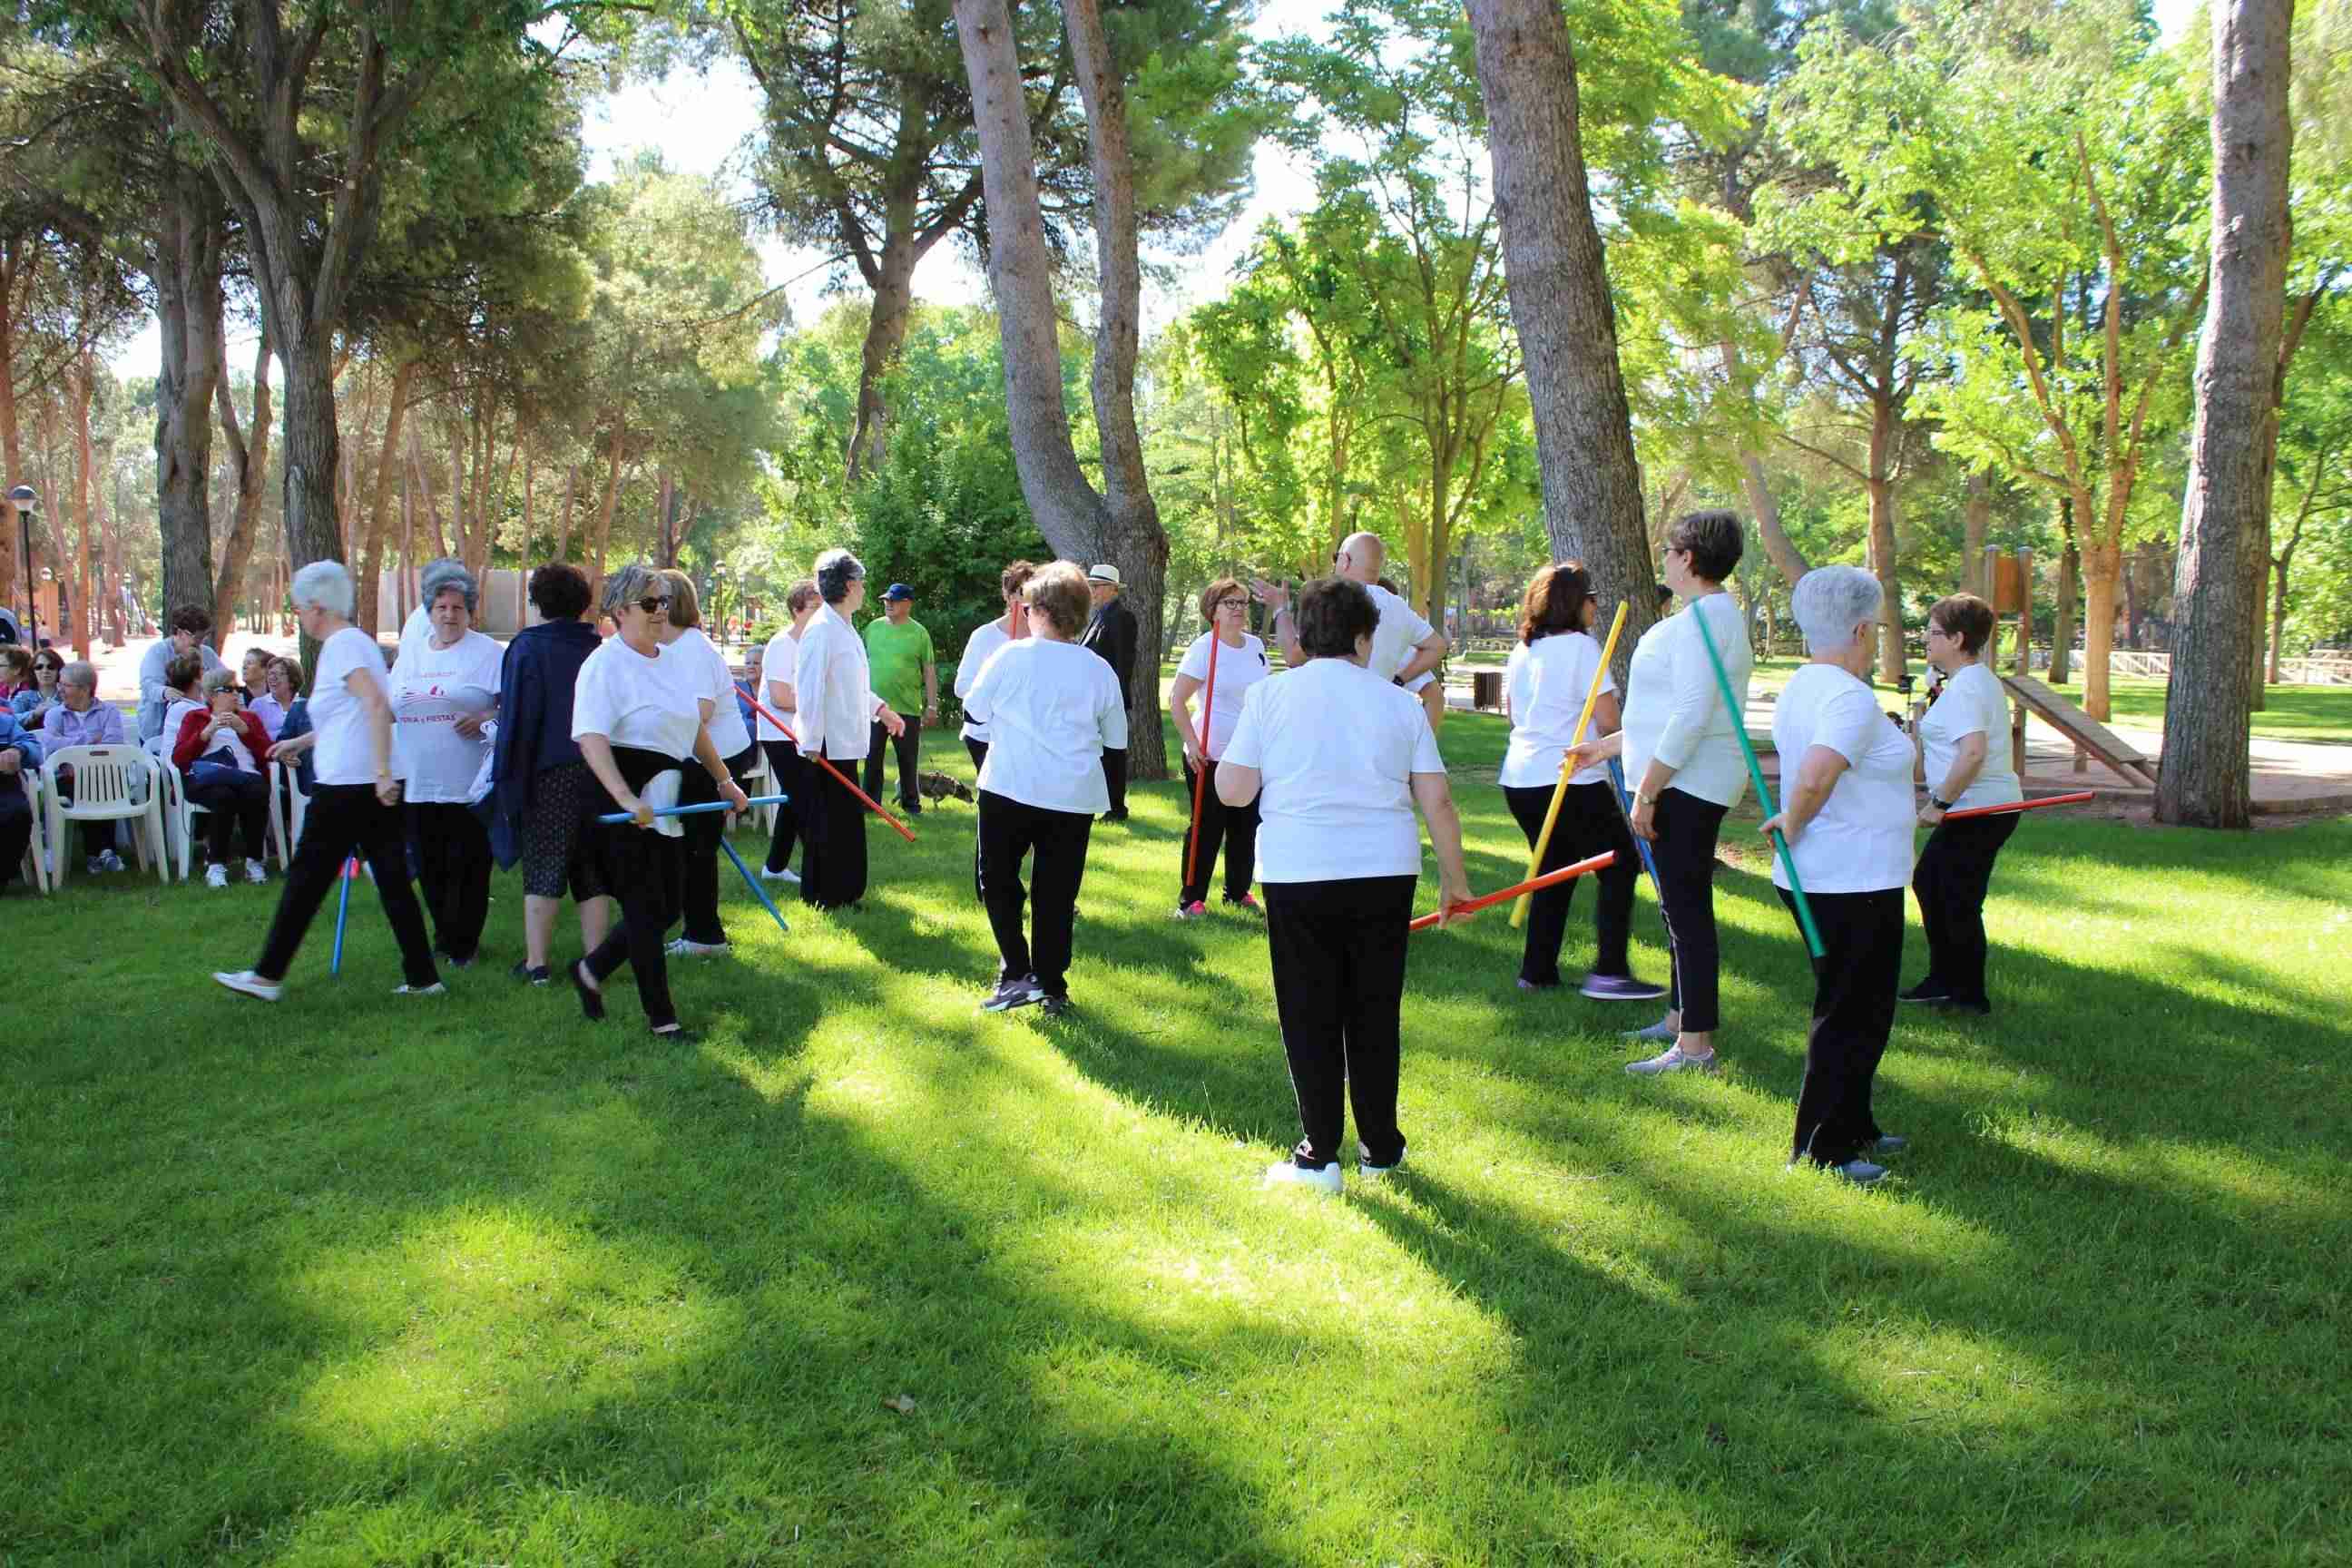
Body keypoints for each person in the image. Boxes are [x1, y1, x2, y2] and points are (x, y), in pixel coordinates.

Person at [1215, 576, 1474, 1194]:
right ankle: (1380, 1148)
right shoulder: (1400, 703)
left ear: (1302, 635)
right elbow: (1437, 800)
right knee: (1374, 1011)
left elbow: (1233, 791)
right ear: (1365, 638)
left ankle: (1319, 1155)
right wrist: (1455, 881)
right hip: (1384, 871)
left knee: (1309, 1011)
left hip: (1300, 873)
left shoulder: (1269, 697)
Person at [1564, 510, 1753, 1074]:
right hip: (1682, 779)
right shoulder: (1706, 618)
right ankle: (1679, 1017)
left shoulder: (1705, 622)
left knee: (1686, 912)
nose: (1664, 559)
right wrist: (1607, 748)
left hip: (1688, 787)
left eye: (1671, 551)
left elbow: (1693, 717)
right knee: (1679, 909)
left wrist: (1647, 791)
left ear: (1689, 559)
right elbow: (1665, 715)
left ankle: (1695, 1046)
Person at [213, 561, 445, 1000]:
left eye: (299, 607)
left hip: (350, 785)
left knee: (306, 879)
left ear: (318, 606)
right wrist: (300, 741)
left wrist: (379, 774)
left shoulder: (343, 646)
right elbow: (351, 715)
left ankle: (267, 975)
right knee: (391, 880)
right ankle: (423, 976)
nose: (298, 615)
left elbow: (378, 706)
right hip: (365, 780)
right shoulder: (353, 645)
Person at [1758, 565, 1916, 1186]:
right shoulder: (1847, 696)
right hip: (1847, 880)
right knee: (1849, 1012)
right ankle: (1823, 1149)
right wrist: (1793, 820)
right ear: (1856, 627)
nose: (1876, 638)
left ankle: (1856, 1126)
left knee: (1864, 1010)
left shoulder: (1808, 684)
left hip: (1849, 873)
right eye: (1874, 627)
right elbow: (1818, 772)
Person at [565, 564, 750, 1039]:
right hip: (617, 792)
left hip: (663, 793)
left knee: (668, 907)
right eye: (650, 603)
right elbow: (590, 738)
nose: (660, 611)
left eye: (663, 602)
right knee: (647, 909)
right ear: (620, 610)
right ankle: (663, 1021)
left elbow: (693, 726)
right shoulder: (603, 664)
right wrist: (625, 796)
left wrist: (725, 781)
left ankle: (590, 971)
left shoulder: (669, 659)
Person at [963, 562, 1126, 1015]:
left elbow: (974, 713)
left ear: (1037, 609)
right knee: (1056, 893)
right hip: (1071, 796)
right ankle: (1048, 984)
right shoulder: (1099, 670)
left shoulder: (1010, 656)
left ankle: (1018, 971)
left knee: (997, 880)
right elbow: (1115, 741)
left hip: (1009, 786)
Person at [1498, 564, 1660, 999]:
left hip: (1520, 777)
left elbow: (1513, 713)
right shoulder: (1584, 649)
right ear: (1576, 602)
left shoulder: (1524, 650)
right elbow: (1608, 722)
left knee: (1554, 871)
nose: (1595, 608)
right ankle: (1609, 972)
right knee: (1621, 862)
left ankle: (1537, 972)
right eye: (1592, 599)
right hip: (1568, 778)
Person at [487, 564, 612, 985]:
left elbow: (518, 719)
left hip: (548, 771)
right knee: (590, 867)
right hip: (599, 769)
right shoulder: (601, 646)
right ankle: (596, 961)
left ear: (537, 600)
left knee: (544, 862)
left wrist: (507, 779)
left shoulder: (526, 647)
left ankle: (537, 964)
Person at [1907, 592, 2024, 1014]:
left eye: (1934, 632)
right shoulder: (1966, 683)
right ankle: (1946, 981)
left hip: (1980, 810)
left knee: (1954, 896)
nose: (1927, 639)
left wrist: (1939, 802)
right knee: (1934, 886)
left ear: (1957, 639)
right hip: (1974, 808)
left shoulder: (1971, 685)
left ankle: (1967, 993)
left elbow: (1972, 752)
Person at [389, 560, 503, 968]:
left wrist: (486, 718)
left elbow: (512, 707)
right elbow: (390, 703)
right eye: (441, 608)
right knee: (431, 865)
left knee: (468, 867)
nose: (449, 615)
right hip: (419, 780)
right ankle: (445, 936)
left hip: (469, 783)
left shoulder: (488, 653)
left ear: (470, 611)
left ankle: (465, 944)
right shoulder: (411, 653)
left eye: (457, 608)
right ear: (429, 612)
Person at [656, 567, 760, 957]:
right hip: (695, 754)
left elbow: (698, 712)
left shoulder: (692, 649)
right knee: (688, 845)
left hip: (718, 756)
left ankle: (705, 936)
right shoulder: (673, 648)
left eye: (658, 599)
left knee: (696, 848)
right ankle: (698, 929)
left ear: (672, 604)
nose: (651, 606)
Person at [792, 549, 904, 909]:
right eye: (862, 583)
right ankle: (824, 895)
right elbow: (808, 689)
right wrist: (809, 740)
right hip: (824, 746)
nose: (864, 589)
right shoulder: (821, 630)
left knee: (846, 823)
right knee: (828, 824)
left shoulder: (844, 628)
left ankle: (846, 891)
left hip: (846, 742)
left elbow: (852, 686)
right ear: (851, 585)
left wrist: (881, 710)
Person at [1170, 576, 1269, 919]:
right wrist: (1192, 744)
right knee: (1206, 826)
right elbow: (1177, 700)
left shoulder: (1256, 646)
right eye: (1231, 603)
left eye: (1243, 602)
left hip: (1248, 755)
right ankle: (1192, 899)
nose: (1240, 609)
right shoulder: (1204, 647)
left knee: (1245, 825)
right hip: (1208, 753)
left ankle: (1238, 892)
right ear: (1213, 610)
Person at [1250, 532, 1449, 694]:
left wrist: (1280, 608)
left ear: (1345, 560)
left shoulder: (1333, 602)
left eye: (1337, 557)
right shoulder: (1398, 607)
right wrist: (1398, 680)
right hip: (1378, 715)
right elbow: (1438, 647)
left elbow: (1294, 657)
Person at [171, 664, 274, 887]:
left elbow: (268, 753)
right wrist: (207, 732)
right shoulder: (195, 717)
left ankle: (254, 861)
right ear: (212, 695)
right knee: (223, 795)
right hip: (205, 778)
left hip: (246, 775)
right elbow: (179, 758)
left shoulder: (249, 718)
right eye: (230, 689)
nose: (237, 693)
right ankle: (216, 865)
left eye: (238, 688)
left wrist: (244, 731)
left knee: (258, 792)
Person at [756, 580, 822, 886]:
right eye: (813, 607)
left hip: (803, 732)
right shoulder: (783, 645)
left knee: (795, 800)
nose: (820, 612)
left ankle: (775, 866)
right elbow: (781, 698)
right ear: (796, 610)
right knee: (806, 799)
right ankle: (820, 871)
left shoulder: (815, 643)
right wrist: (821, 706)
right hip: (779, 734)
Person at [42, 660, 130, 873]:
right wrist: (90, 740)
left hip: (104, 774)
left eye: (65, 685)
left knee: (101, 784)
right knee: (85, 787)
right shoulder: (55, 714)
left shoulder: (108, 711)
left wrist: (72, 749)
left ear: (85, 689)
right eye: (60, 684)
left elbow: (113, 744)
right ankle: (103, 852)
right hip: (67, 778)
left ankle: (99, 854)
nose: (59, 689)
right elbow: (51, 745)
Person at [860, 583, 937, 816]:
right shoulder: (872, 628)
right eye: (886, 600)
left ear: (907, 604)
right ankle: (870, 804)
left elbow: (929, 671)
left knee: (907, 759)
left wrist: (932, 705)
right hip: (874, 707)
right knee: (872, 757)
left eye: (893, 601)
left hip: (907, 707)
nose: (888, 604)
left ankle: (911, 804)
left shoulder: (919, 633)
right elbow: (859, 664)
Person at [955, 561, 1035, 773]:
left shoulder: (1044, 639)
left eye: (1036, 590)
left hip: (1027, 734)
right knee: (995, 798)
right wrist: (996, 692)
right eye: (1023, 591)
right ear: (1008, 596)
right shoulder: (985, 635)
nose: (1030, 597)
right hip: (985, 735)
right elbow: (961, 685)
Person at [1079, 564, 1139, 822]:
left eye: (1097, 586)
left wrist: (1114, 698)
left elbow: (1123, 664)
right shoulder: (1100, 616)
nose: (1092, 591)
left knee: (1113, 755)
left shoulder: (1121, 617)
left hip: (1109, 699)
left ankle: (1116, 807)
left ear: (1113, 589)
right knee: (1099, 753)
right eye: (1091, 586)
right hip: (1092, 698)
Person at [137, 606, 229, 740]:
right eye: (197, 637)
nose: (200, 642)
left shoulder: (207, 653)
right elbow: (149, 685)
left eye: (204, 636)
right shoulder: (158, 652)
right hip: (157, 729)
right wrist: (165, 692)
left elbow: (224, 678)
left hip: (196, 729)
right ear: (180, 633)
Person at [0, 702, 42, 894]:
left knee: (18, 813)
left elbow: (35, 750)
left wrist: (18, 751)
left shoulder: (6, 723)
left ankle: (3, 876)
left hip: (4, 786)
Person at [265, 657, 316, 800]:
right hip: (285, 767)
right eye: (270, 673)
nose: (273, 678)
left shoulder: (306, 706)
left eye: (280, 674)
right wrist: (286, 755)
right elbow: (282, 741)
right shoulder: (259, 704)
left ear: (292, 681)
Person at [12, 646, 64, 725]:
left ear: (59, 670)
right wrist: (35, 714)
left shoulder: (68, 697)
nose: (45, 671)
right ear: (33, 671)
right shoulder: (22, 697)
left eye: (51, 667)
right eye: (39, 667)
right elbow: (9, 721)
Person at [241, 648, 285, 739]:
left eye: (249, 663)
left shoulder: (281, 696)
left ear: (265, 670)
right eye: (244, 664)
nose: (244, 667)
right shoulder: (235, 696)